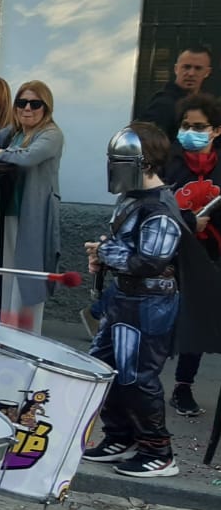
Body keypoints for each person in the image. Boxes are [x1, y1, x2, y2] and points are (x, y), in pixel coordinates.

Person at [81, 124, 184, 478]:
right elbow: (126, 249)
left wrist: (106, 253)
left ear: (145, 162)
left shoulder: (159, 209)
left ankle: (158, 451)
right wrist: (104, 253)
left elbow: (149, 262)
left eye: (120, 160)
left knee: (136, 376)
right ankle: (120, 436)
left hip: (149, 302)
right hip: (124, 297)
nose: (113, 167)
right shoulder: (132, 198)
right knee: (105, 368)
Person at [0, 79, 64, 328]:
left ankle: (25, 333)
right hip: (7, 212)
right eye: (22, 103)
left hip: (33, 215)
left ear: (46, 107)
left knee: (27, 277)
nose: (27, 108)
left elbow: (29, 157)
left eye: (35, 104)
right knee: (3, 273)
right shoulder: (14, 132)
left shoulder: (51, 134)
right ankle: (2, 329)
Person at [161, 91, 221, 417]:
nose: (190, 132)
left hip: (209, 256)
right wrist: (188, 220)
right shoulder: (170, 164)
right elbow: (157, 207)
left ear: (216, 130)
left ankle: (183, 386)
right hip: (170, 253)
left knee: (197, 321)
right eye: (186, 125)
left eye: (199, 127)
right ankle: (142, 381)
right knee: (161, 319)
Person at [143, 44, 213, 140]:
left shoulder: (207, 105)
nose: (191, 73)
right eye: (186, 67)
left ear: (207, 72)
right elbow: (149, 143)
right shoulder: (163, 104)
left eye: (198, 68)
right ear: (176, 69)